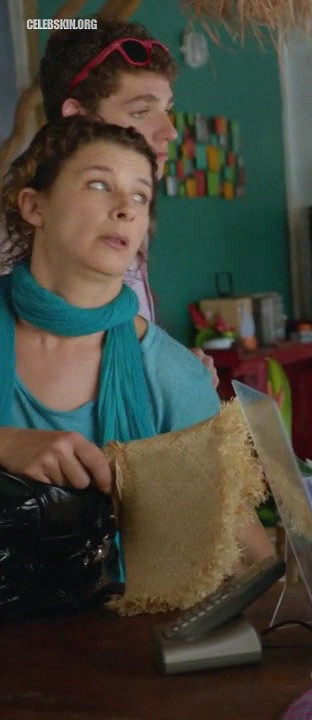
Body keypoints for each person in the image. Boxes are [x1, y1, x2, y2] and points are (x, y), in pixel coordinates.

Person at [0, 116, 274, 562]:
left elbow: (237, 536)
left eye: (141, 196)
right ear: (34, 207)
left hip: (120, 608)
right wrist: (6, 444)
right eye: (99, 185)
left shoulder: (171, 374)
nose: (126, 208)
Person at [39, 20, 218, 385]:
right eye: (141, 112)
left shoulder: (128, 216)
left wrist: (170, 362)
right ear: (78, 118)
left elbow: (116, 339)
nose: (170, 131)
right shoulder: (29, 228)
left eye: (167, 109)